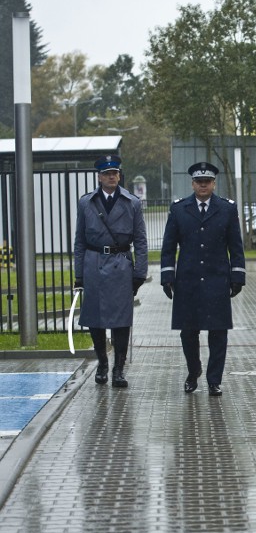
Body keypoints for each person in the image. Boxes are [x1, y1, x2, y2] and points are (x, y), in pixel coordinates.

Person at [160, 162, 246, 396]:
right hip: (187, 281)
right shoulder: (179, 209)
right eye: (199, 181)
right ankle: (193, 370)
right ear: (192, 184)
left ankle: (214, 380)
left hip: (217, 279)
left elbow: (235, 246)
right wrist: (167, 276)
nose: (203, 185)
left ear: (214, 183)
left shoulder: (227, 209)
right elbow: (168, 247)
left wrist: (237, 275)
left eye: (207, 181)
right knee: (188, 332)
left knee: (218, 332)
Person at [73, 154, 148, 388]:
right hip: (94, 263)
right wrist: (79, 274)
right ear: (99, 177)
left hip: (120, 264)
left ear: (119, 175)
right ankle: (102, 363)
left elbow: (141, 241)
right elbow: (80, 241)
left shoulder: (132, 202)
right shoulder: (87, 202)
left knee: (121, 320)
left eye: (115, 173)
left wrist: (139, 273)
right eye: (107, 173)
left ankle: (118, 369)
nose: (111, 177)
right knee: (95, 319)